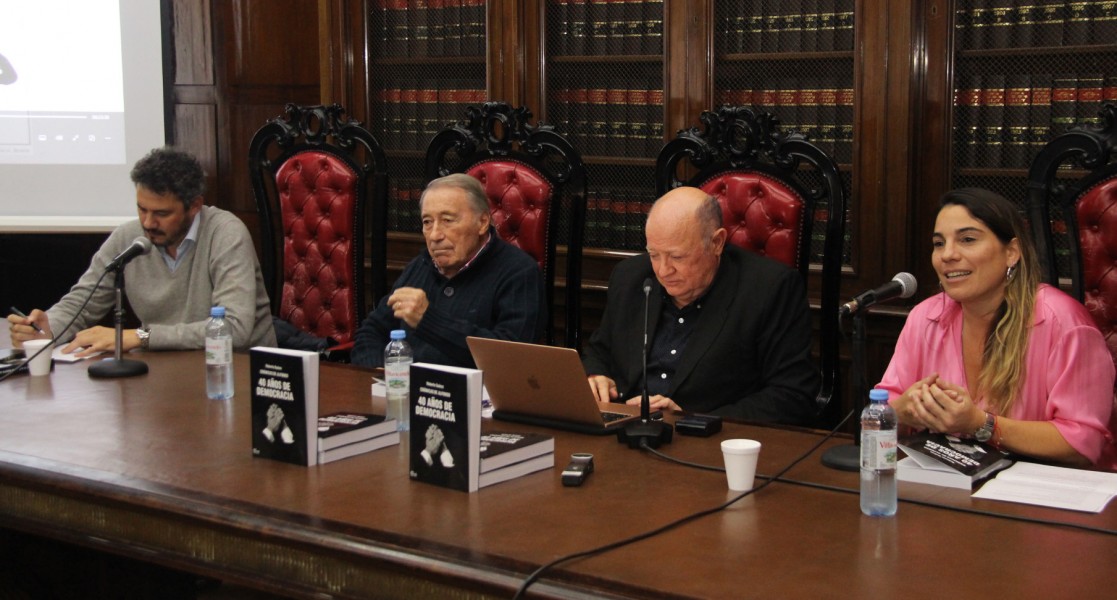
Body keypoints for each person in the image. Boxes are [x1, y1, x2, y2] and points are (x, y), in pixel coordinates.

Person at [879, 188, 1117, 470]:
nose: (948, 255)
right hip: (948, 485)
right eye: (939, 243)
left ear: (1012, 253)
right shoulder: (925, 316)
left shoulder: (1063, 322)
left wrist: (982, 425)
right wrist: (904, 411)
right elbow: (882, 408)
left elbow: (1083, 443)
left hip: (1040, 493)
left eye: (967, 240)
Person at [582, 186, 819, 425]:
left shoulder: (769, 289)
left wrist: (694, 420)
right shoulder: (630, 277)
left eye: (677, 257)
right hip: (623, 432)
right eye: (654, 255)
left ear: (717, 242)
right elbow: (600, 351)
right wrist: (596, 376)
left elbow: (792, 395)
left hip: (711, 444)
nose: (664, 270)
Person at [7, 147, 276, 354]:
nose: (148, 223)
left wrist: (140, 336)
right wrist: (47, 328)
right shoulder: (128, 236)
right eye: (141, 209)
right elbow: (81, 304)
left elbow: (234, 329)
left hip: (238, 375)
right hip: (166, 376)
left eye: (161, 213)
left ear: (194, 206)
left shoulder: (225, 233)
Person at [351, 173, 545, 368]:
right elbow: (370, 332)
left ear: (482, 222)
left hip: (474, 395)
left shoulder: (518, 272)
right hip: (409, 391)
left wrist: (429, 321)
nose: (435, 235)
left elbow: (512, 359)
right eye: (427, 222)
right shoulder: (420, 266)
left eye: (447, 220)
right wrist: (389, 375)